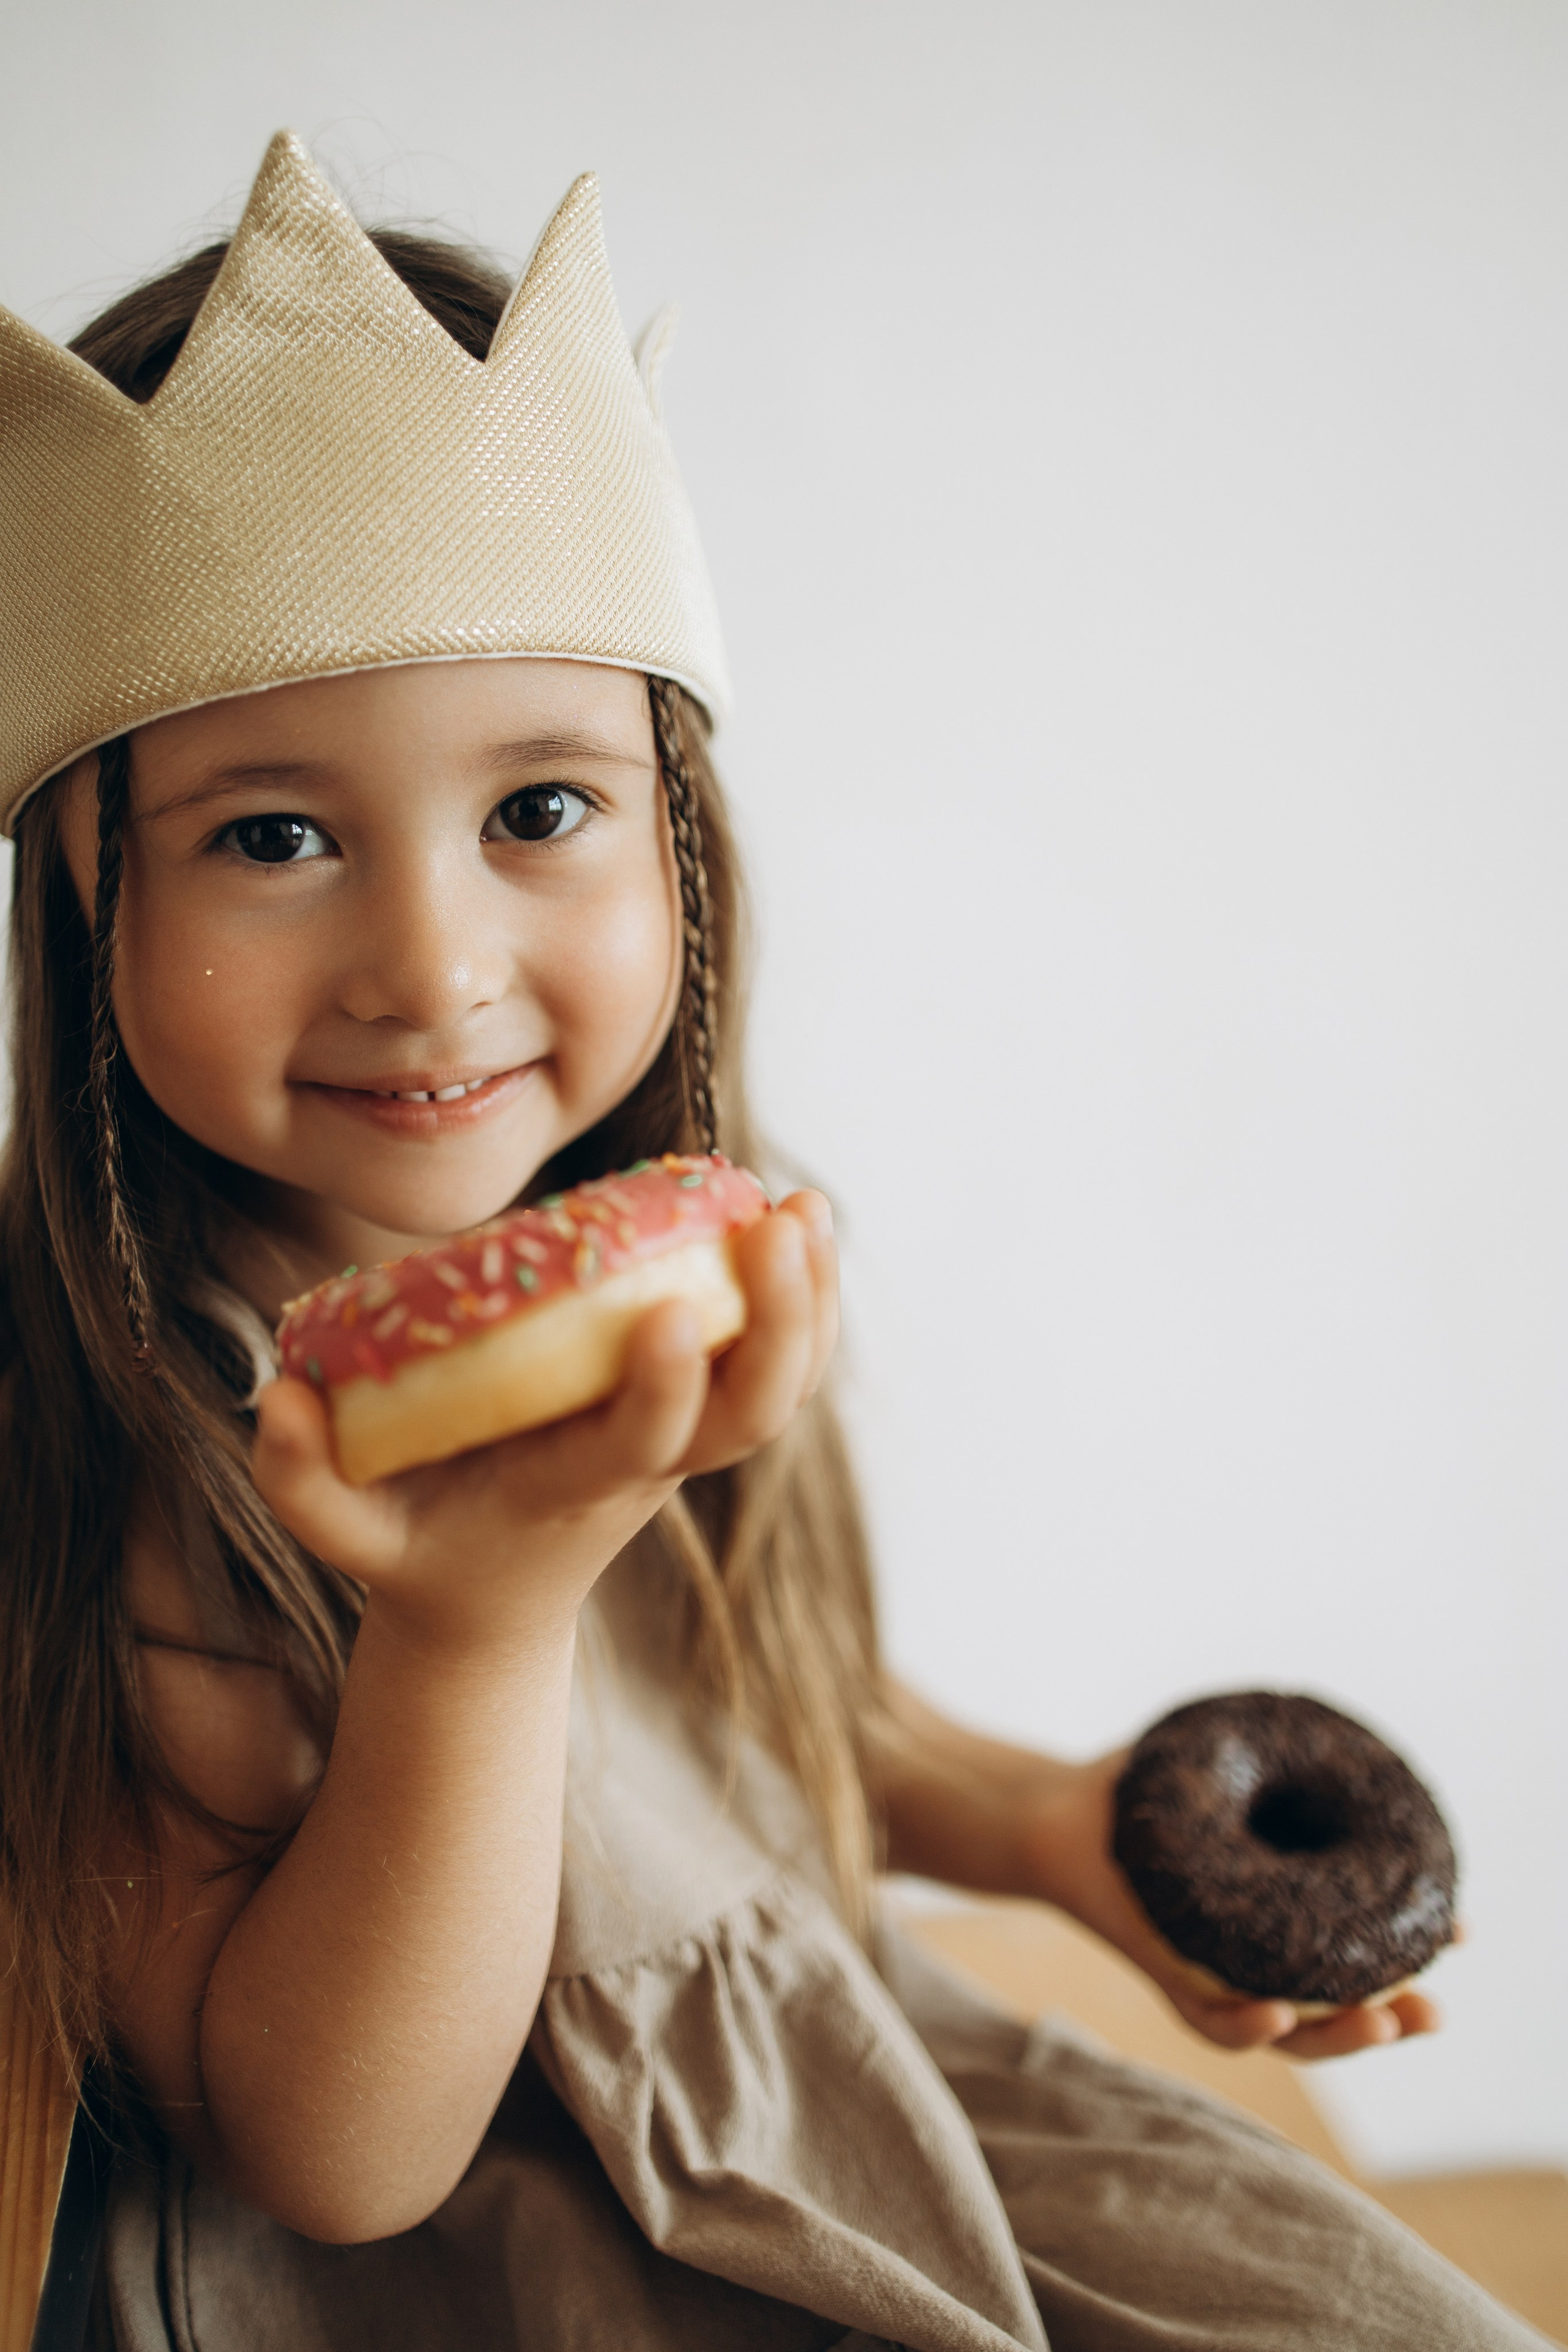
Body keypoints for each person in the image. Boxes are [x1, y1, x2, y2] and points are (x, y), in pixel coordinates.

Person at [0, 133, 1545, 2351]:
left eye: (538, 808)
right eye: (270, 833)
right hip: (512, 2243)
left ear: (678, 848)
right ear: (87, 893)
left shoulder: (670, 1257)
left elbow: (758, 1720)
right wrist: (467, 1631)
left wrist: (1049, 1835)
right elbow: (338, 2159)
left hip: (845, 2085)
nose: (430, 964)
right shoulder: (103, 1429)